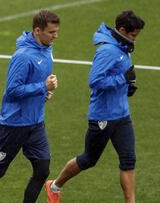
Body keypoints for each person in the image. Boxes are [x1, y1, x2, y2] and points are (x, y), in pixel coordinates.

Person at [45, 10, 145, 203]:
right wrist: (121, 79)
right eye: (133, 35)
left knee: (128, 160)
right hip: (103, 116)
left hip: (122, 114)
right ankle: (54, 185)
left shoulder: (124, 47)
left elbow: (117, 78)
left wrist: (126, 87)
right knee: (89, 159)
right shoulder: (107, 51)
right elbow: (95, 82)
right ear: (123, 30)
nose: (135, 39)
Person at [0, 10, 59, 203]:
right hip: (14, 124)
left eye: (56, 31)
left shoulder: (47, 49)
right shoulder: (22, 56)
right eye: (51, 32)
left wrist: (45, 93)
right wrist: (42, 87)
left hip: (36, 122)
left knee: (42, 169)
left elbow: (36, 83)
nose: (56, 36)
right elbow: (12, 91)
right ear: (37, 31)